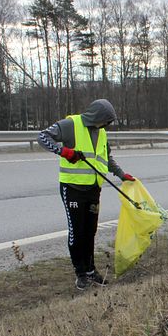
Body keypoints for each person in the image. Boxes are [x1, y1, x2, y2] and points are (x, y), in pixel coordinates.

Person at [38, 99, 135, 290]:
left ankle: (91, 271)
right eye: (105, 121)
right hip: (72, 188)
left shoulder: (101, 133)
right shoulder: (70, 125)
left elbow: (107, 158)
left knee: (90, 231)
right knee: (77, 231)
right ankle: (80, 273)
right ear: (96, 116)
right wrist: (64, 152)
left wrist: (121, 174)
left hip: (93, 189)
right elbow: (42, 137)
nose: (106, 125)